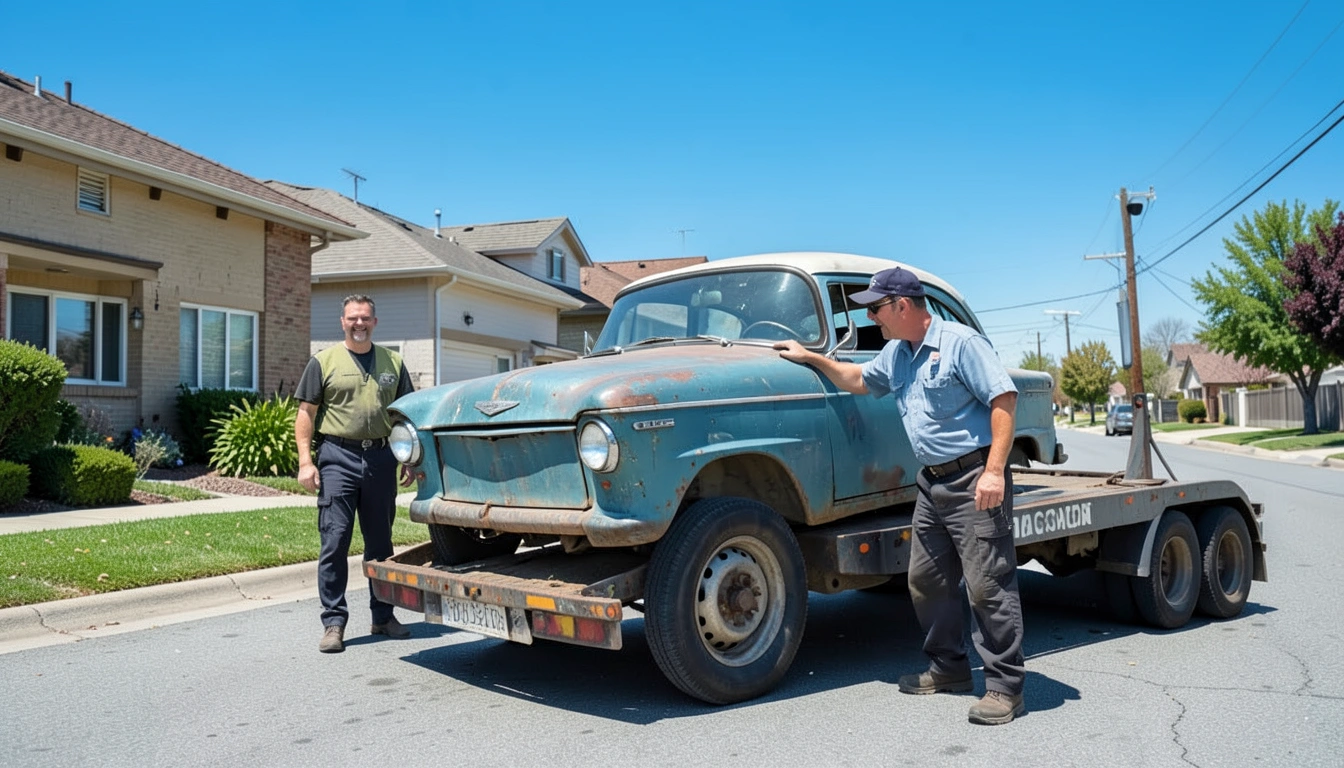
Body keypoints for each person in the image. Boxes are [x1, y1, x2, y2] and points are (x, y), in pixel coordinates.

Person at [774, 266, 1026, 725]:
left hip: (974, 479)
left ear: (902, 305)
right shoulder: (898, 353)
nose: (871, 318)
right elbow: (857, 379)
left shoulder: (961, 344)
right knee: (927, 580)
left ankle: (1006, 688)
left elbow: (1004, 400)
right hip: (932, 484)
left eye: (875, 308)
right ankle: (949, 667)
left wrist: (994, 473)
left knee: (988, 585)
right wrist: (810, 358)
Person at [295, 294, 415, 654]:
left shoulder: (393, 362)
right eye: (352, 318)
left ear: (374, 322)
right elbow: (306, 413)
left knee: (380, 544)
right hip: (338, 457)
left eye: (365, 318)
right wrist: (305, 462)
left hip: (381, 458)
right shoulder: (323, 362)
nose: (358, 324)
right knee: (335, 541)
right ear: (342, 322)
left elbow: (406, 413)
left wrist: (410, 459)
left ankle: (383, 617)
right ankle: (334, 623)